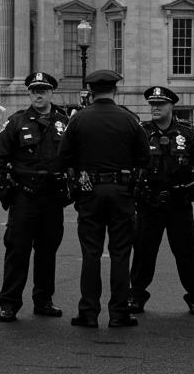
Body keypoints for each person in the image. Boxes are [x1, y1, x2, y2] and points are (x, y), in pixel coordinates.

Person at [57, 69, 151, 330]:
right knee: (121, 254)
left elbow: (63, 158)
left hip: (90, 190)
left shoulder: (78, 120)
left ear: (91, 92)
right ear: (115, 90)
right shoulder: (129, 119)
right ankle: (119, 313)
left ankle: (88, 312)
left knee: (91, 253)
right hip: (121, 191)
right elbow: (145, 158)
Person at [0, 71, 71, 322]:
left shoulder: (64, 122)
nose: (39, 94)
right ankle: (9, 303)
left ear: (51, 93)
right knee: (17, 251)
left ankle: (44, 300)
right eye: (34, 90)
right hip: (24, 195)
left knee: (47, 251)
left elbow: (74, 158)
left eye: (43, 90)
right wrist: (3, 189)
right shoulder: (16, 122)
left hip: (52, 196)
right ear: (29, 93)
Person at [127, 86, 194, 317]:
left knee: (186, 253)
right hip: (147, 204)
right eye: (152, 104)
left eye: (160, 104)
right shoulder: (140, 133)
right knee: (143, 253)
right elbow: (128, 163)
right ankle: (136, 297)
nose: (155, 108)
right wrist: (132, 191)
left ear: (172, 106)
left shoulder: (187, 134)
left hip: (178, 203)